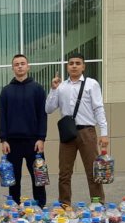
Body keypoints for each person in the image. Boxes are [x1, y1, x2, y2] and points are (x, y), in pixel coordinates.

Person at [46, 53, 109, 207]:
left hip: (87, 132)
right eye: (71, 63)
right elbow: (48, 109)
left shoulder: (91, 84)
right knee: (64, 172)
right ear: (67, 67)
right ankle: (64, 204)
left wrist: (104, 133)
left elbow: (98, 108)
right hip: (68, 133)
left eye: (78, 63)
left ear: (83, 66)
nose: (74, 66)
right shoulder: (61, 87)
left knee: (92, 170)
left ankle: (97, 203)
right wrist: (53, 89)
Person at [0, 54, 48, 208]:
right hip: (12, 142)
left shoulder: (38, 89)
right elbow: (3, 116)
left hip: (34, 142)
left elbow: (42, 115)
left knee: (38, 176)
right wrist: (3, 139)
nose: (20, 66)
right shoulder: (6, 91)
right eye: (16, 64)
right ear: (13, 68)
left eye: (22, 63)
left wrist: (41, 138)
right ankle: (14, 206)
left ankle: (40, 207)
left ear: (28, 66)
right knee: (14, 179)